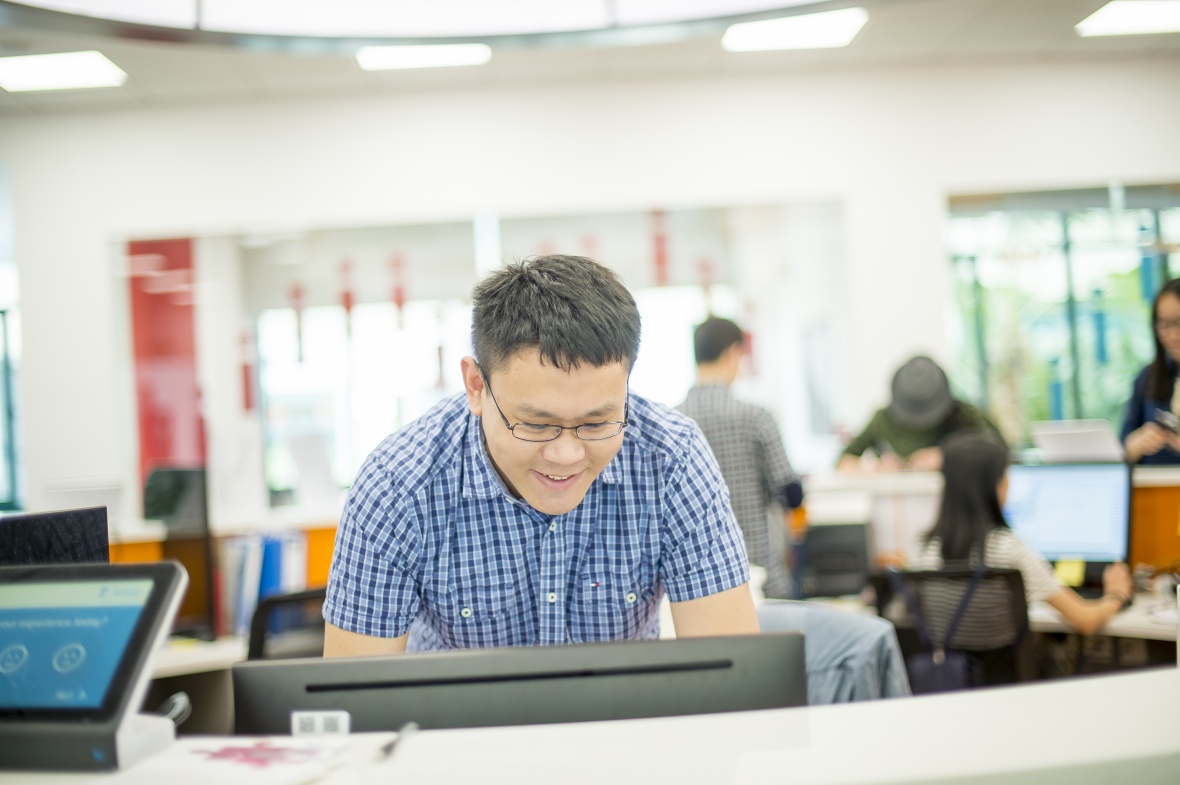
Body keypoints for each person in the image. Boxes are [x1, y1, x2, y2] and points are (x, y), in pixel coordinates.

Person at [322, 255, 759, 657]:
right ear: (477, 386)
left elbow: (732, 675)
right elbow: (352, 706)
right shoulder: (397, 483)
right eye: (535, 424)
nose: (566, 454)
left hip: (623, 731)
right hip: (456, 736)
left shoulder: (671, 457)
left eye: (595, 423)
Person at [911, 431, 1133, 639]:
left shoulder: (923, 550)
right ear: (994, 486)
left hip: (951, 678)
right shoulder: (1008, 550)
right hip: (1009, 679)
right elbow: (1086, 621)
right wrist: (1116, 594)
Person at [677, 316, 803, 600]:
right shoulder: (756, 417)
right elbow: (790, 492)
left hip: (695, 581)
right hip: (757, 570)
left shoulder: (672, 422)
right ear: (734, 352)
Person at [836, 355, 1004, 472]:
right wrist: (874, 467)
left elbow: (999, 449)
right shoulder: (884, 419)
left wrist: (946, 457)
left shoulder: (962, 414)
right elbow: (842, 462)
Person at [1121, 277, 1180, 465]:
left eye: (1178, 322)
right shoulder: (1148, 377)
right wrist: (1136, 445)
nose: (1171, 334)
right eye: (1162, 323)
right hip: (1151, 490)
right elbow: (1122, 449)